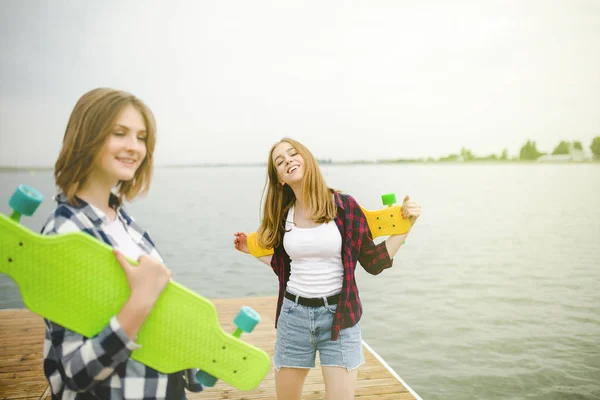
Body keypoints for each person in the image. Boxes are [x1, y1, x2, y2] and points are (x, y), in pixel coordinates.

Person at [40, 88, 199, 399]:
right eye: (120, 133)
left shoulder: (125, 224)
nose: (134, 148)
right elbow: (74, 372)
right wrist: (140, 300)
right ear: (86, 136)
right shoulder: (65, 233)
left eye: (141, 138)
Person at [233, 138, 422, 400]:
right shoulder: (281, 214)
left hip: (340, 317)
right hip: (293, 317)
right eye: (279, 161)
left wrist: (406, 226)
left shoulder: (344, 207)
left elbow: (374, 262)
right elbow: (283, 266)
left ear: (306, 159)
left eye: (292, 154)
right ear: (280, 179)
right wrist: (250, 249)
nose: (287, 160)